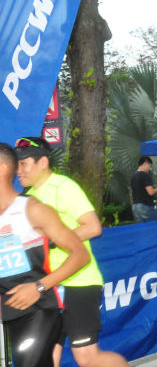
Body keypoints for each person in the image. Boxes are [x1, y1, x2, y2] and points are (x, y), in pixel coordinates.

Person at [14, 137, 128, 367]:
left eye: (23, 164)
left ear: (43, 162)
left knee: (87, 358)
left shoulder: (63, 186)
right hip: (48, 286)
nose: (19, 171)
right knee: (46, 357)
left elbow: (93, 227)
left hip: (78, 282)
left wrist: (54, 242)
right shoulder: (27, 198)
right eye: (16, 165)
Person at [0, 143, 90, 367]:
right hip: (9, 311)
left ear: (2, 169)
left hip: (39, 309)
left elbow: (80, 255)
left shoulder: (32, 209)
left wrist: (39, 287)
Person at [131, 156, 157, 222]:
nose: (149, 169)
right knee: (156, 225)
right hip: (145, 206)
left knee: (143, 227)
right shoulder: (144, 175)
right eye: (149, 166)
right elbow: (151, 192)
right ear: (145, 163)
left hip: (135, 207)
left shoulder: (133, 176)